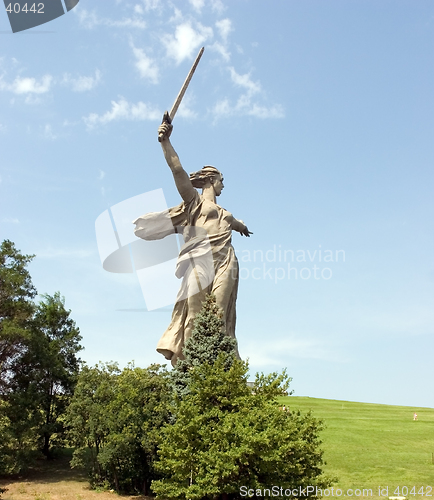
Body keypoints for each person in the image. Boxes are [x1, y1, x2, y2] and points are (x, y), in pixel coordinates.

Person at [134, 118, 252, 365]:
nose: (223, 185)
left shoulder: (224, 213)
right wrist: (166, 142)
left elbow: (235, 222)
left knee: (221, 314)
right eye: (221, 180)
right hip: (201, 260)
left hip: (226, 260)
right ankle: (189, 366)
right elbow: (177, 171)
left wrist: (242, 228)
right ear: (211, 180)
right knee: (196, 315)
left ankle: (220, 369)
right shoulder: (194, 203)